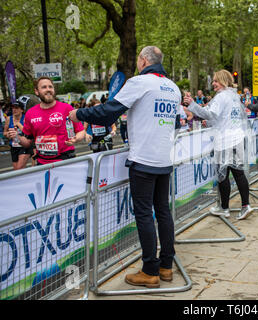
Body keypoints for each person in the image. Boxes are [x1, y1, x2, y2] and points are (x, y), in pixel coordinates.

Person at [69, 45, 180, 288]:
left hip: (143, 160)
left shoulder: (140, 82)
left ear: (142, 60)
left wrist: (79, 115)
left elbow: (108, 113)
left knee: (144, 215)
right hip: (164, 159)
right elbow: (177, 123)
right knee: (163, 212)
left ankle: (150, 271)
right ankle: (166, 266)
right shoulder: (173, 87)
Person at [183, 69, 254, 220]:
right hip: (238, 138)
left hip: (226, 141)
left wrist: (192, 105)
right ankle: (244, 205)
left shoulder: (221, 97)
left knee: (223, 175)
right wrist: (208, 122)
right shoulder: (234, 96)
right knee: (238, 173)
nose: (213, 84)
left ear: (223, 81)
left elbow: (210, 114)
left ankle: (225, 208)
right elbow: (223, 117)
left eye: (216, 81)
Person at [11, 77, 85, 165]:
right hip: (42, 164)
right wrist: (17, 137)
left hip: (65, 161)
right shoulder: (30, 113)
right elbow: (28, 143)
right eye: (44, 87)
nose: (48, 89)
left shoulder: (66, 108)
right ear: (37, 92)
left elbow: (81, 131)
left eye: (50, 87)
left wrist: (76, 139)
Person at [3, 101, 33, 169]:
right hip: (14, 146)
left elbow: (29, 132)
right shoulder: (8, 119)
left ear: (22, 110)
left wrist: (18, 124)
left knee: (20, 168)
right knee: (16, 169)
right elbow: (4, 132)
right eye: (13, 108)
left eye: (16, 108)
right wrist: (8, 134)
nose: (14, 110)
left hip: (24, 145)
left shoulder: (26, 118)